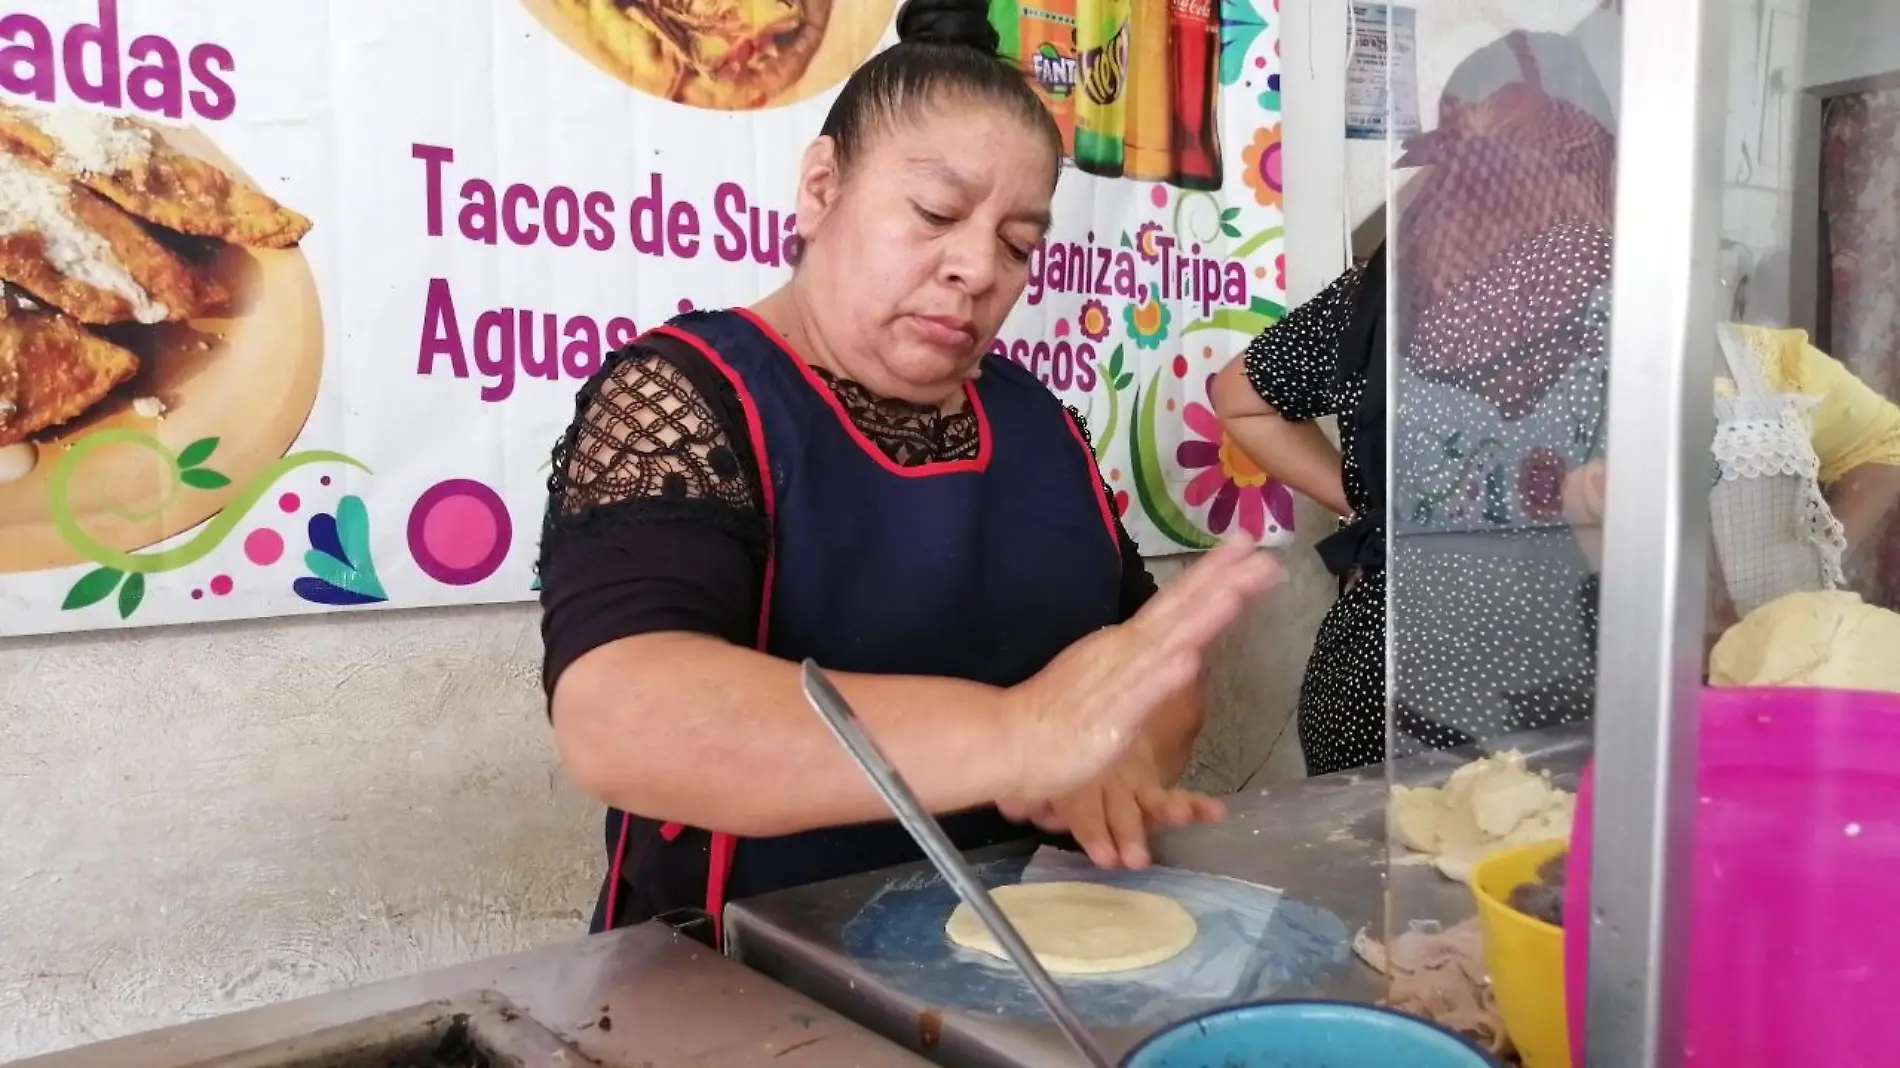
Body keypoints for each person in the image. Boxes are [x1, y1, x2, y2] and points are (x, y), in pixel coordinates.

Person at [535, 0, 1281, 938]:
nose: (976, 267)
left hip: (1016, 956)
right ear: (821, 187)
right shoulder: (690, 396)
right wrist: (1017, 738)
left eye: (1018, 244)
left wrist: (1125, 758)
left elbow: (1138, 662)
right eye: (934, 213)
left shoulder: (1035, 420)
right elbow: (622, 711)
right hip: (743, 979)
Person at [1209, 243, 1387, 777]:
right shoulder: (1614, 274)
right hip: (1534, 677)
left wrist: (1373, 503)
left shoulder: (1391, 275)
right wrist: (1373, 502)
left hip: (1365, 677)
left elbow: (1239, 393)